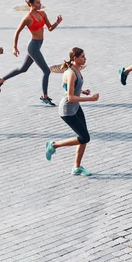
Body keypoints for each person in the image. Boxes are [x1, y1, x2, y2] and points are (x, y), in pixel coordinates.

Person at [0, 0, 63, 106]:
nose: (39, 4)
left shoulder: (43, 14)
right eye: (37, 3)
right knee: (46, 71)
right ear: (30, 4)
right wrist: (14, 47)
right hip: (33, 47)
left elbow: (49, 28)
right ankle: (45, 96)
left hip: (38, 45)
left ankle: (1, 80)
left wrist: (57, 22)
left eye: (40, 2)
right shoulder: (27, 18)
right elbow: (17, 32)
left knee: (23, 69)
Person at [45, 47, 99, 176]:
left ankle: (77, 167)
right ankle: (54, 145)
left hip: (75, 108)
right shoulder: (71, 73)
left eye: (84, 56)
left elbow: (70, 87)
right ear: (75, 58)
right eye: (82, 57)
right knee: (84, 137)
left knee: (84, 137)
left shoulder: (77, 70)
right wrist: (90, 99)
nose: (85, 59)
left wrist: (82, 91)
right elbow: (70, 97)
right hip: (67, 111)